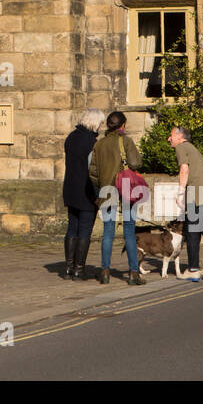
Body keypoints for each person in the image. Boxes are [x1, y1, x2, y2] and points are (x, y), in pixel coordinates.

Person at [92, 110, 145, 285]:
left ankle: (105, 271)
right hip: (126, 190)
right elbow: (136, 163)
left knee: (108, 232)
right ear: (123, 125)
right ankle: (133, 273)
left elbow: (92, 172)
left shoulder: (99, 145)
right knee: (129, 232)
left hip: (106, 191)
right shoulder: (126, 141)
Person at [170, 125, 203, 281]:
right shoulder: (193, 149)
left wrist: (180, 192)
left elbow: (184, 169)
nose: (169, 138)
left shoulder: (181, 147)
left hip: (197, 192)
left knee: (193, 231)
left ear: (180, 137)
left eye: (171, 135)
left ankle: (193, 270)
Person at [61, 109, 104, 280]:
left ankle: (68, 268)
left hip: (71, 189)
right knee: (85, 230)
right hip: (86, 191)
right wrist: (97, 195)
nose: (101, 127)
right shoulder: (92, 142)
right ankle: (79, 270)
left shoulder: (71, 137)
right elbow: (91, 171)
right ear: (94, 123)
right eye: (100, 123)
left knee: (72, 228)